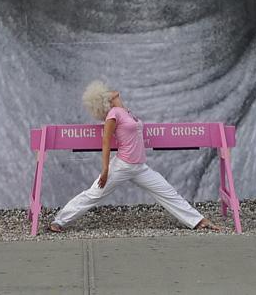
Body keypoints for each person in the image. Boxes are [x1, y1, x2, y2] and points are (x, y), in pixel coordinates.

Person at [48, 80, 222, 232]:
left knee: (167, 191)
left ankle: (199, 221)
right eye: (108, 92)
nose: (114, 91)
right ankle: (59, 221)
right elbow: (106, 143)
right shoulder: (112, 115)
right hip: (122, 165)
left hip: (139, 167)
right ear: (105, 100)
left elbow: (121, 104)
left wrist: (115, 98)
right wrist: (106, 169)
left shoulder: (125, 111)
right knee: (93, 195)